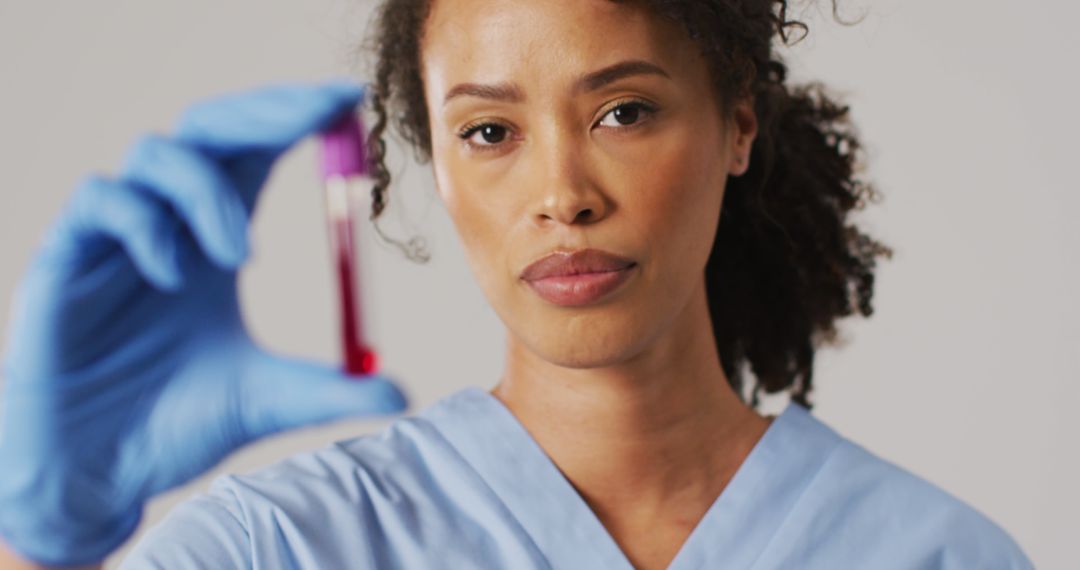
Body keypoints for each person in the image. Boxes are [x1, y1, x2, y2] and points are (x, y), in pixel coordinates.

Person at [0, 0, 1034, 568]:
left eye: (623, 111)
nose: (562, 195)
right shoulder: (285, 548)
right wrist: (41, 546)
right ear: (436, 168)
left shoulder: (935, 556)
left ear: (738, 125)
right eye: (490, 132)